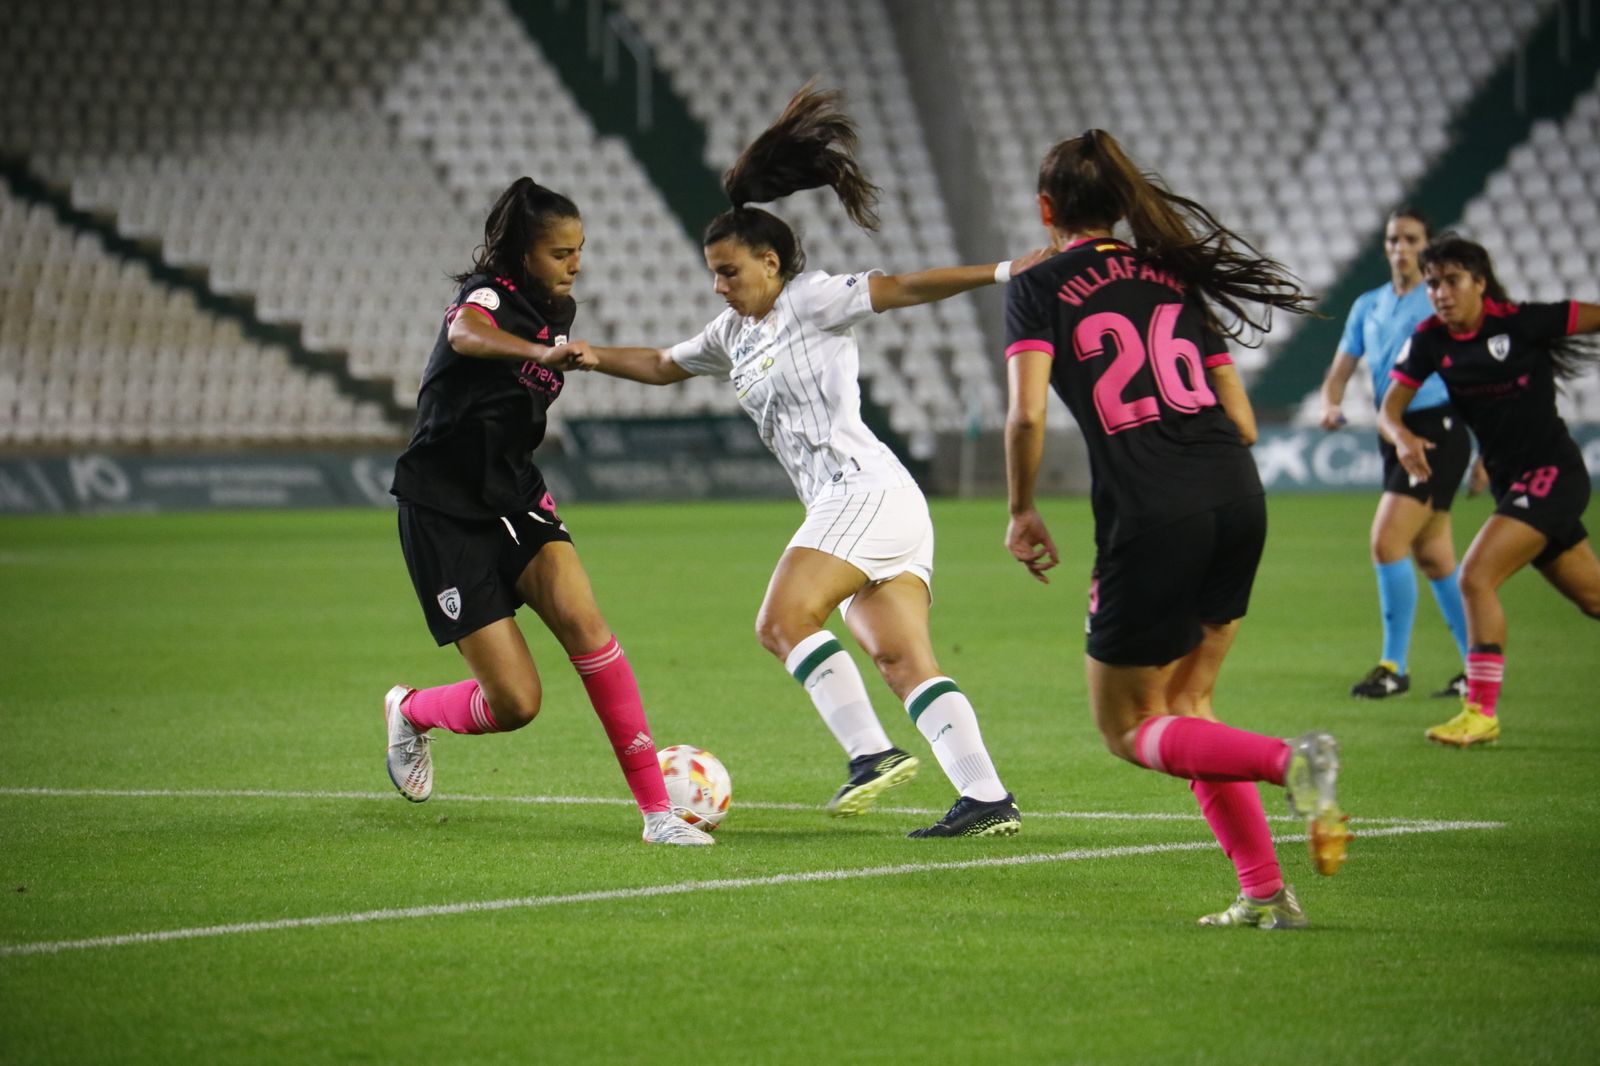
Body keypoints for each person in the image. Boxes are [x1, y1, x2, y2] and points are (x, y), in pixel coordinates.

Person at [577, 84, 1037, 837]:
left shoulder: (813, 299)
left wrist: (1003, 271)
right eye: (712, 274)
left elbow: (907, 286)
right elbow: (663, 362)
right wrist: (592, 358)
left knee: (782, 618)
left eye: (729, 272)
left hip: (862, 491)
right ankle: (986, 797)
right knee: (900, 660)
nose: (719, 287)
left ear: (771, 260)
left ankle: (871, 755)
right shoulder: (733, 334)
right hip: (870, 503)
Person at [1002, 129, 1349, 928]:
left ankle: (1289, 764)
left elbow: (1024, 413)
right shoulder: (1173, 276)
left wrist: (1021, 508)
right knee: (1189, 703)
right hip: (1236, 493)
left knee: (1129, 727)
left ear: (1046, 208)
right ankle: (1265, 894)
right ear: (1123, 205)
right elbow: (1245, 424)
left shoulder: (1039, 284)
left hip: (1154, 511)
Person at [383, 177, 713, 845]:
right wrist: (538, 352)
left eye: (580, 249)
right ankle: (412, 710)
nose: (576, 264)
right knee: (516, 704)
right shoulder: (486, 297)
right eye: (562, 253)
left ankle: (658, 816)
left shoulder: (557, 311)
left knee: (587, 627)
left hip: (516, 494)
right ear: (522, 256)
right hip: (443, 509)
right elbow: (469, 334)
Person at [1380, 233, 1600, 748]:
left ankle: (1479, 711)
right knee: (1593, 599)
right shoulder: (1430, 339)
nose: (1440, 293)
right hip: (1512, 482)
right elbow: (1389, 410)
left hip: (1553, 474)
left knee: (1475, 577)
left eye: (1452, 281)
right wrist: (1404, 436)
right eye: (1433, 283)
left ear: (1479, 282)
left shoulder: (1521, 323)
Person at [1319, 207, 1477, 700]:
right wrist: (1330, 402)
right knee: (1433, 556)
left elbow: (1474, 375)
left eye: (1410, 239)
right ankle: (1479, 665)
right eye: (1392, 239)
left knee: (1386, 542)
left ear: (1425, 246)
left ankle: (1394, 665)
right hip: (1393, 432)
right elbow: (1341, 370)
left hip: (1435, 430)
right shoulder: (1369, 305)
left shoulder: (1439, 307)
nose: (1399, 248)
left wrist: (1487, 449)